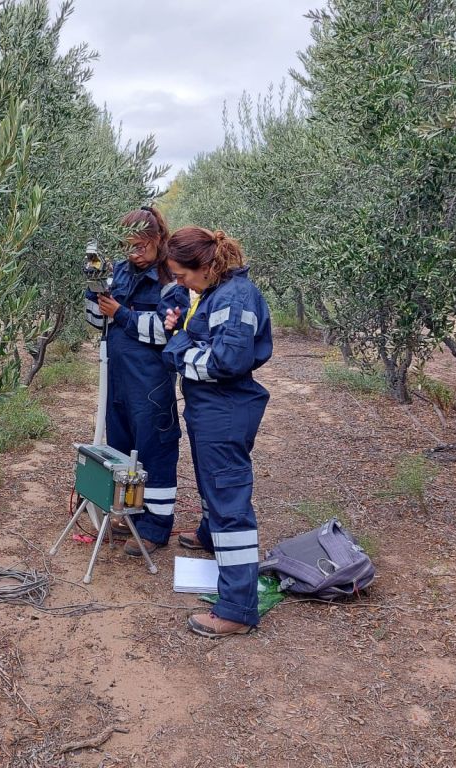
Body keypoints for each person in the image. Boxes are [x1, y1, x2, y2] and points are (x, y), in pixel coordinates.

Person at [162, 226, 273, 638]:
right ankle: (211, 537)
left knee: (229, 503)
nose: (180, 284)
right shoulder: (215, 292)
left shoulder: (235, 298)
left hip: (225, 410)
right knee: (214, 486)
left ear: (206, 266)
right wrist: (182, 333)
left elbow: (226, 362)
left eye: (182, 275)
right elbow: (206, 342)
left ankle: (237, 609)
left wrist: (177, 347)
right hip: (210, 409)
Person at [84, 206, 190, 556]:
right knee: (121, 447)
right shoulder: (119, 273)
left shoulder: (171, 281)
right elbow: (96, 323)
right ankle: (130, 516)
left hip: (150, 383)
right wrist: (93, 291)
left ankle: (155, 528)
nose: (135, 253)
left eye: (142, 245)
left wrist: (121, 313)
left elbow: (164, 330)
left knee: (154, 450)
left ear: (158, 239)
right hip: (117, 377)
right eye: (128, 246)